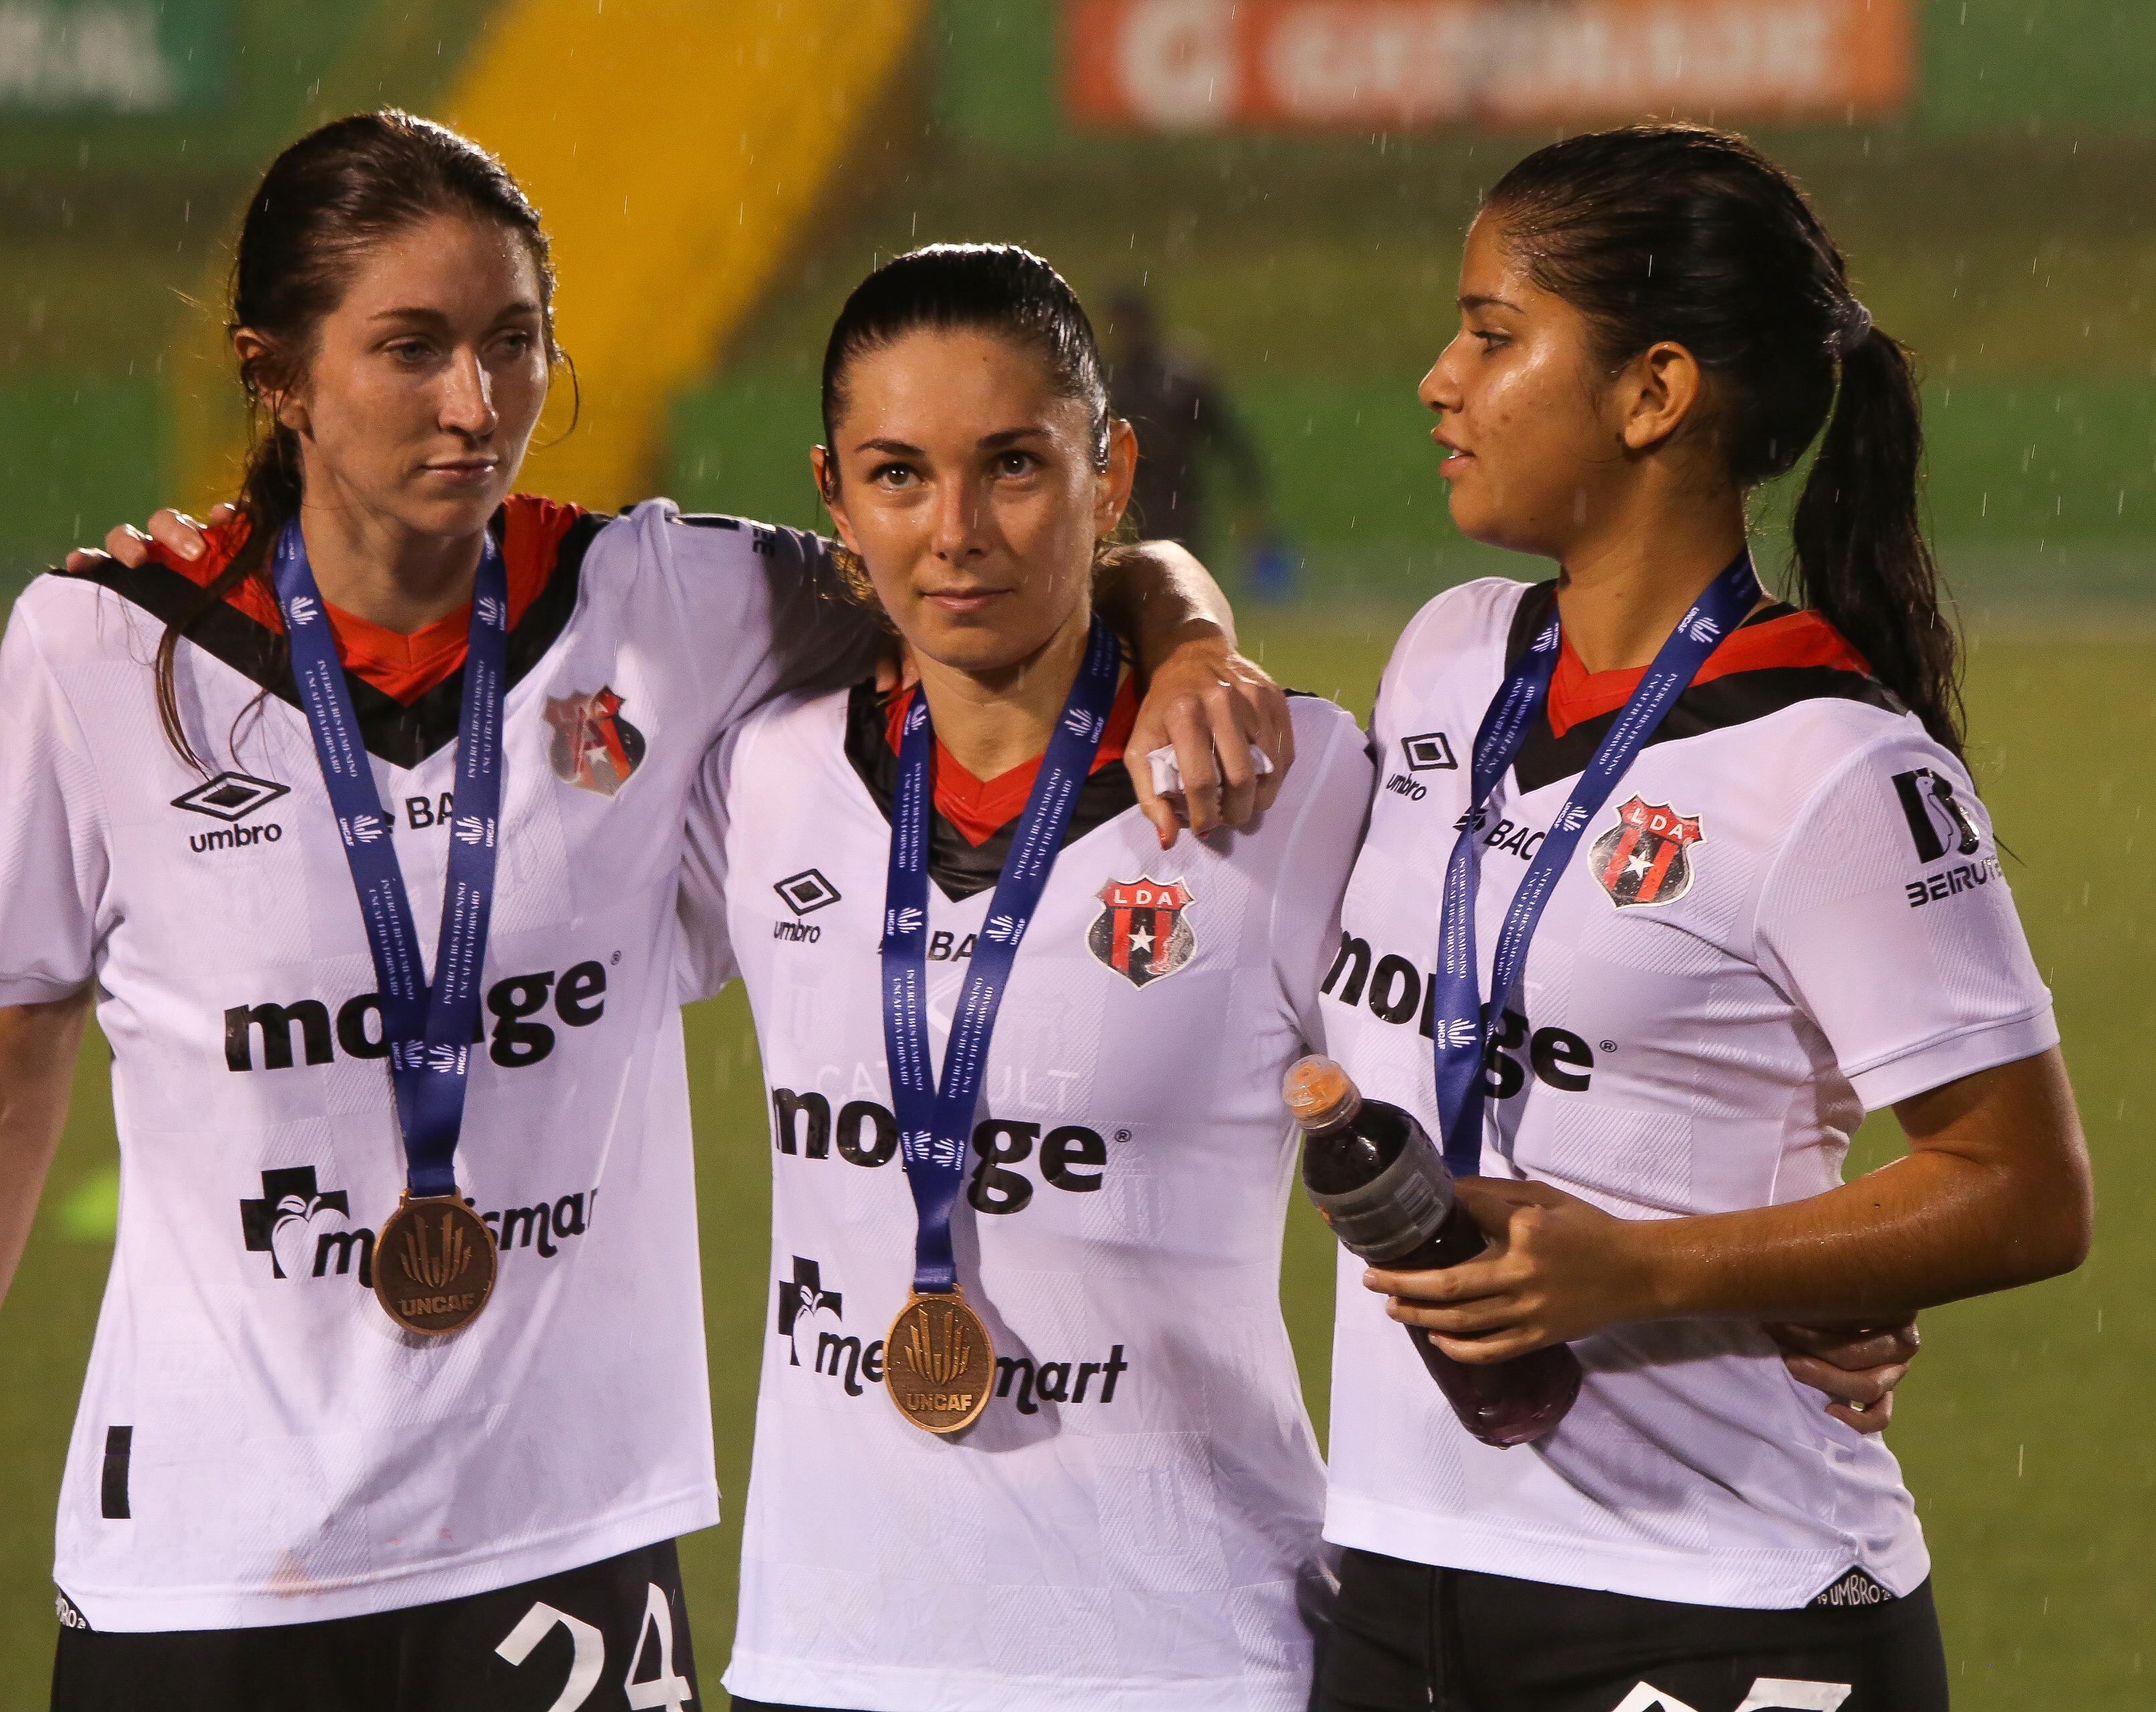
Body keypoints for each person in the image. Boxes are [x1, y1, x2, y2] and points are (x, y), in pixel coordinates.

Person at [1, 112, 1288, 1711]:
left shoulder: (671, 600)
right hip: (204, 1553)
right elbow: (14, 1047)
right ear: (275, 374)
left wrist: (1186, 630)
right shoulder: (102, 649)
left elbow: (992, 562)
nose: (477, 403)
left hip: (564, 1537)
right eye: (411, 348)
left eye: (512, 341)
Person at [1313, 124, 2091, 1712]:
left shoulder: (1831, 760)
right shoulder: (1446, 657)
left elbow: (2023, 1189)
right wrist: (1174, 616)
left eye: (1490, 334)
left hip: (1717, 1606)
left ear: (1653, 391)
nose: (1438, 381)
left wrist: (1650, 1270)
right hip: (1395, 1578)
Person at [671, 243, 1374, 1712]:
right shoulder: (762, 773)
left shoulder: (1284, 783)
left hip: (1187, 1658)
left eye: (1011, 466)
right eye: (898, 475)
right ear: (832, 495)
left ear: (1110, 476)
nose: (955, 533)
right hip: (828, 1650)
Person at [1102, 286, 1271, 569]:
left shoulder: (1179, 379)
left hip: (1176, 502)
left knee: (1178, 575)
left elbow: (1228, 438)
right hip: (1128, 506)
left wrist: (1250, 501)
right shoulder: (1108, 380)